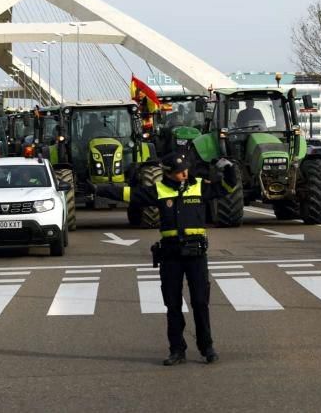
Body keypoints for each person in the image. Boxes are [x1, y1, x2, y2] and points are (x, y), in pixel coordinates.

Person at [93, 151, 237, 366]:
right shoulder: (159, 190)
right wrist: (98, 189)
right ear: (169, 173)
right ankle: (177, 349)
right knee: (172, 304)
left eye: (185, 169)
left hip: (196, 253)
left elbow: (227, 187)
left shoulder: (199, 186)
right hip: (171, 254)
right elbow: (129, 194)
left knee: (200, 302)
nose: (184, 173)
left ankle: (207, 347)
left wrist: (229, 167)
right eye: (179, 171)